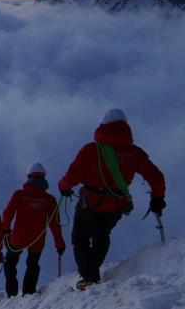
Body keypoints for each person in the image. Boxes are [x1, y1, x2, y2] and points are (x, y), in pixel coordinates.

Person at [58, 109, 165, 290]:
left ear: (103, 126)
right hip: (115, 205)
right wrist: (157, 198)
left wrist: (64, 187)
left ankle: (89, 277)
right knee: (102, 236)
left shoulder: (91, 150)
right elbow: (156, 177)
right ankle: (90, 273)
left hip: (89, 202)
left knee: (80, 238)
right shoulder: (134, 153)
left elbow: (73, 175)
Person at [2, 163, 65, 297]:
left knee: (10, 263)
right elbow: (55, 223)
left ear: (29, 176)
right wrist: (59, 244)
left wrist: (6, 230)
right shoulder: (50, 199)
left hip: (18, 238)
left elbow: (8, 214)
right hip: (37, 240)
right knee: (33, 264)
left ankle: (12, 293)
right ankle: (29, 292)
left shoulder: (20, 194)